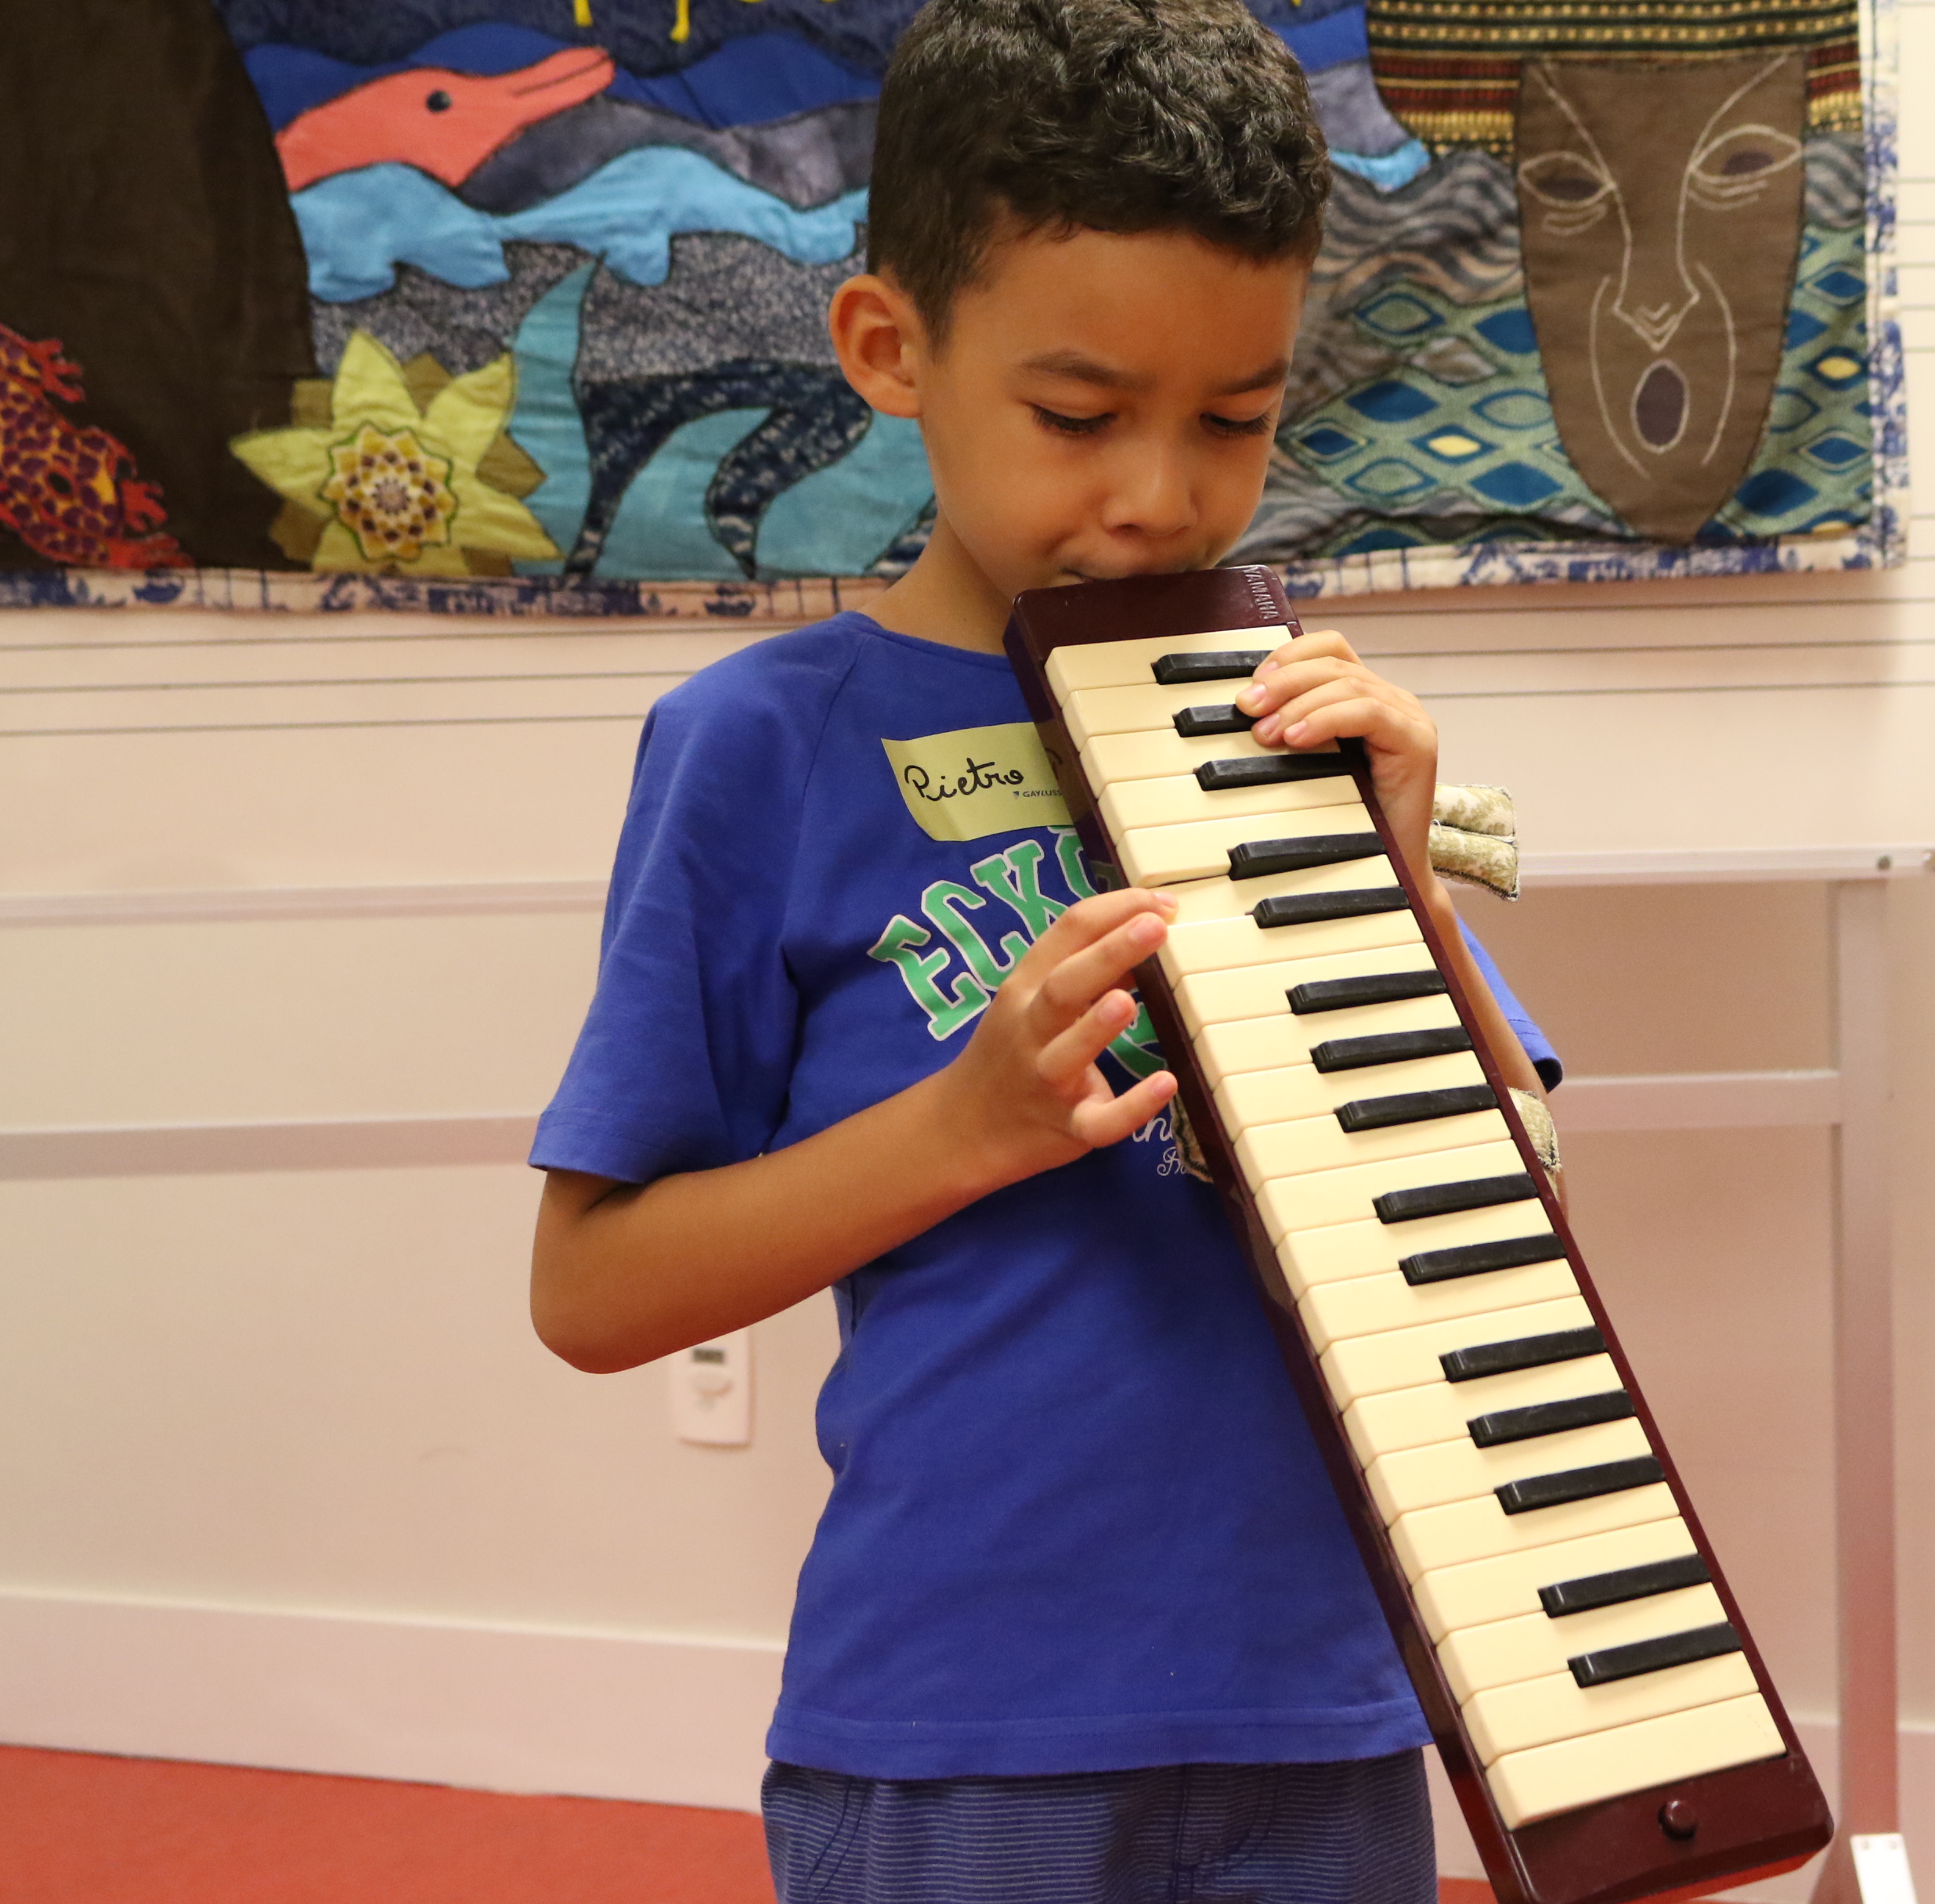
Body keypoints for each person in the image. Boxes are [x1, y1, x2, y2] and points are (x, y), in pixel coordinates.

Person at [525, 1, 1562, 1895]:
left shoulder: (1287, 725)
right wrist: (965, 1128)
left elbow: (1520, 1202)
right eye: (1079, 417)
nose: (1161, 494)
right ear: (889, 348)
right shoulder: (757, 746)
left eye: (1234, 418)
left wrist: (1402, 889)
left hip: (1327, 1708)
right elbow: (592, 1291)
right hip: (955, 1736)